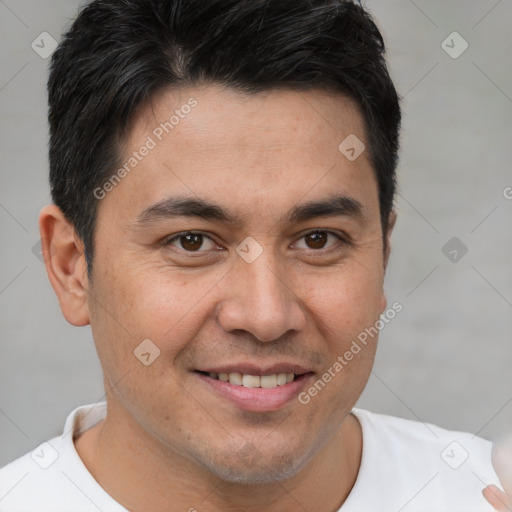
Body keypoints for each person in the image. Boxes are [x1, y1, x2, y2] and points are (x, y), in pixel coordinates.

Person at [0, 0, 509, 510]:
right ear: (72, 268)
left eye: (318, 239)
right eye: (192, 241)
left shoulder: (481, 493)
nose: (267, 316)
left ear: (382, 257)